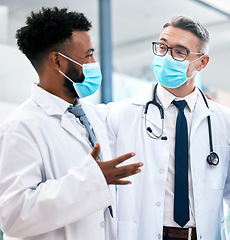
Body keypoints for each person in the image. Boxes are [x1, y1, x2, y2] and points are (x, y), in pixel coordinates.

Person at [0, 7, 143, 240]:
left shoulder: (89, 114)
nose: (94, 63)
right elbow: (14, 216)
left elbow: (129, 112)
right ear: (57, 61)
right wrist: (92, 180)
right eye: (88, 55)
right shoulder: (21, 127)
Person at [104, 15, 230, 239]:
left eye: (179, 52)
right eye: (162, 47)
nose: (166, 57)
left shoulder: (225, 120)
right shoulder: (122, 114)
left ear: (202, 62)